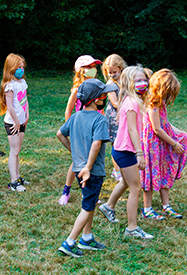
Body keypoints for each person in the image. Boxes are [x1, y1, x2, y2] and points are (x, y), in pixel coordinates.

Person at [57, 78, 117, 257]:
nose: (105, 98)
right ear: (96, 99)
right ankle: (69, 242)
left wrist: (75, 154)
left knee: (89, 202)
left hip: (78, 169)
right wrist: (89, 167)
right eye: (103, 95)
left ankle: (87, 238)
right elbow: (96, 144)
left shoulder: (75, 117)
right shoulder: (100, 119)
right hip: (92, 171)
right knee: (88, 206)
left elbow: (60, 134)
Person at [99, 65, 154, 239]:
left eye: (144, 79)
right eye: (138, 80)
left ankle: (108, 206)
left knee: (125, 182)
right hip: (126, 151)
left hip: (121, 150)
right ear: (129, 82)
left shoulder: (132, 99)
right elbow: (132, 130)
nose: (143, 83)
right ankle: (132, 228)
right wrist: (140, 153)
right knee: (136, 188)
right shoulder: (131, 102)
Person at [141, 69, 187, 220]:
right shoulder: (152, 103)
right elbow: (156, 129)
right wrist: (174, 143)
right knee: (150, 173)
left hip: (161, 143)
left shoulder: (160, 101)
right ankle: (147, 208)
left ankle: (166, 205)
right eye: (168, 92)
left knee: (164, 171)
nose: (169, 96)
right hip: (152, 145)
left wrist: (180, 133)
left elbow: (165, 123)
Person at [58, 55, 102, 205]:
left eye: (94, 66)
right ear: (80, 71)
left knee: (92, 161)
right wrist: (71, 130)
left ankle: (88, 192)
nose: (92, 70)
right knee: (77, 162)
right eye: (88, 67)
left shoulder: (98, 87)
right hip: (82, 129)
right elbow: (68, 110)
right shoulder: (77, 90)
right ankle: (66, 190)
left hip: (95, 128)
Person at [0, 53, 30, 192]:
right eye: (18, 67)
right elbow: (10, 106)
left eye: (22, 67)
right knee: (14, 151)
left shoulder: (22, 82)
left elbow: (25, 100)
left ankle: (17, 177)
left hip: (22, 122)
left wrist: (26, 115)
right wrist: (16, 121)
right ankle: (13, 182)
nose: (21, 69)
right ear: (11, 68)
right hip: (12, 123)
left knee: (18, 151)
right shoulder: (9, 86)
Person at [101, 54, 127, 182]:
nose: (111, 74)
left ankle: (122, 168)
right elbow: (115, 104)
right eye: (109, 72)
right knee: (116, 144)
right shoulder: (110, 84)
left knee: (125, 143)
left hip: (125, 115)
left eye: (114, 72)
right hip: (115, 117)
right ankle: (117, 171)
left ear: (121, 68)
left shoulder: (125, 80)